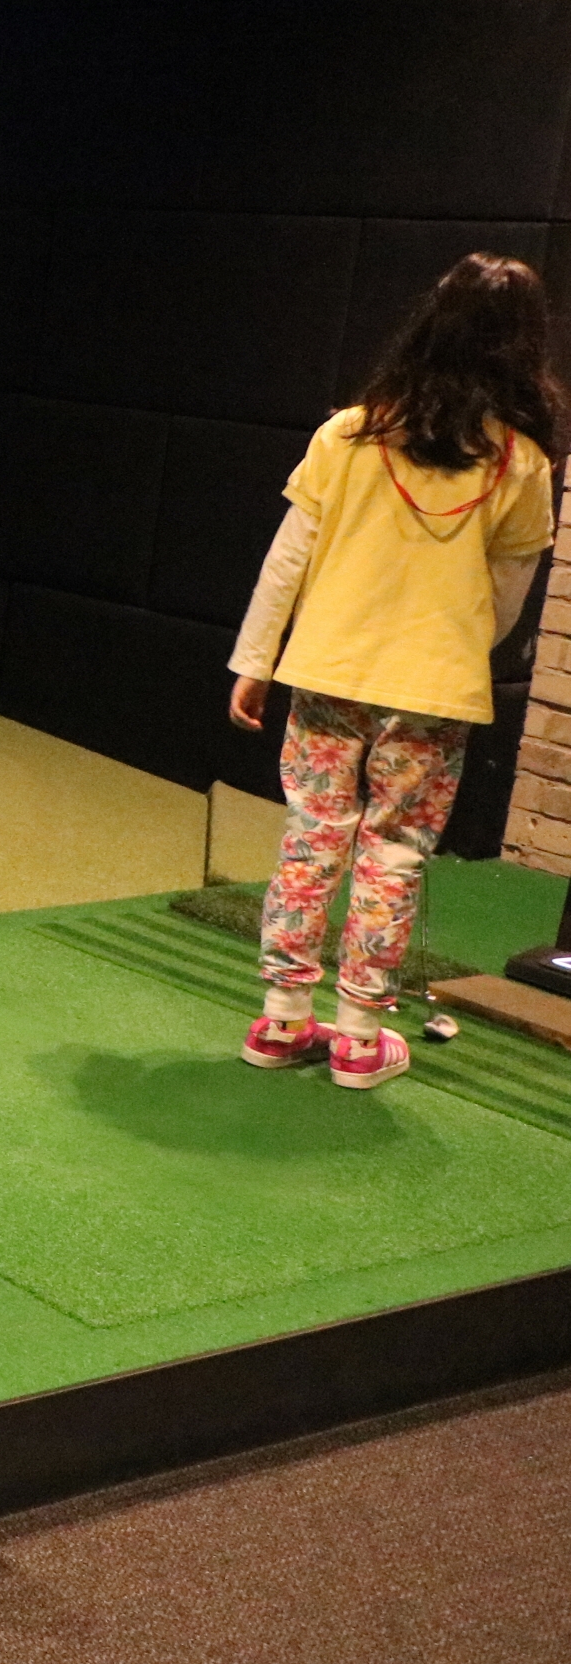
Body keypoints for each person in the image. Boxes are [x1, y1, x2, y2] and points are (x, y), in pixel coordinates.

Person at [229, 253, 561, 1089]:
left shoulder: (346, 434)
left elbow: (288, 559)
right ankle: (357, 1037)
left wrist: (255, 660)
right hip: (434, 692)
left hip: (327, 675)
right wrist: (449, 651)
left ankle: (281, 1019)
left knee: (312, 838)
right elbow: (506, 600)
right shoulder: (522, 464)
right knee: (395, 852)